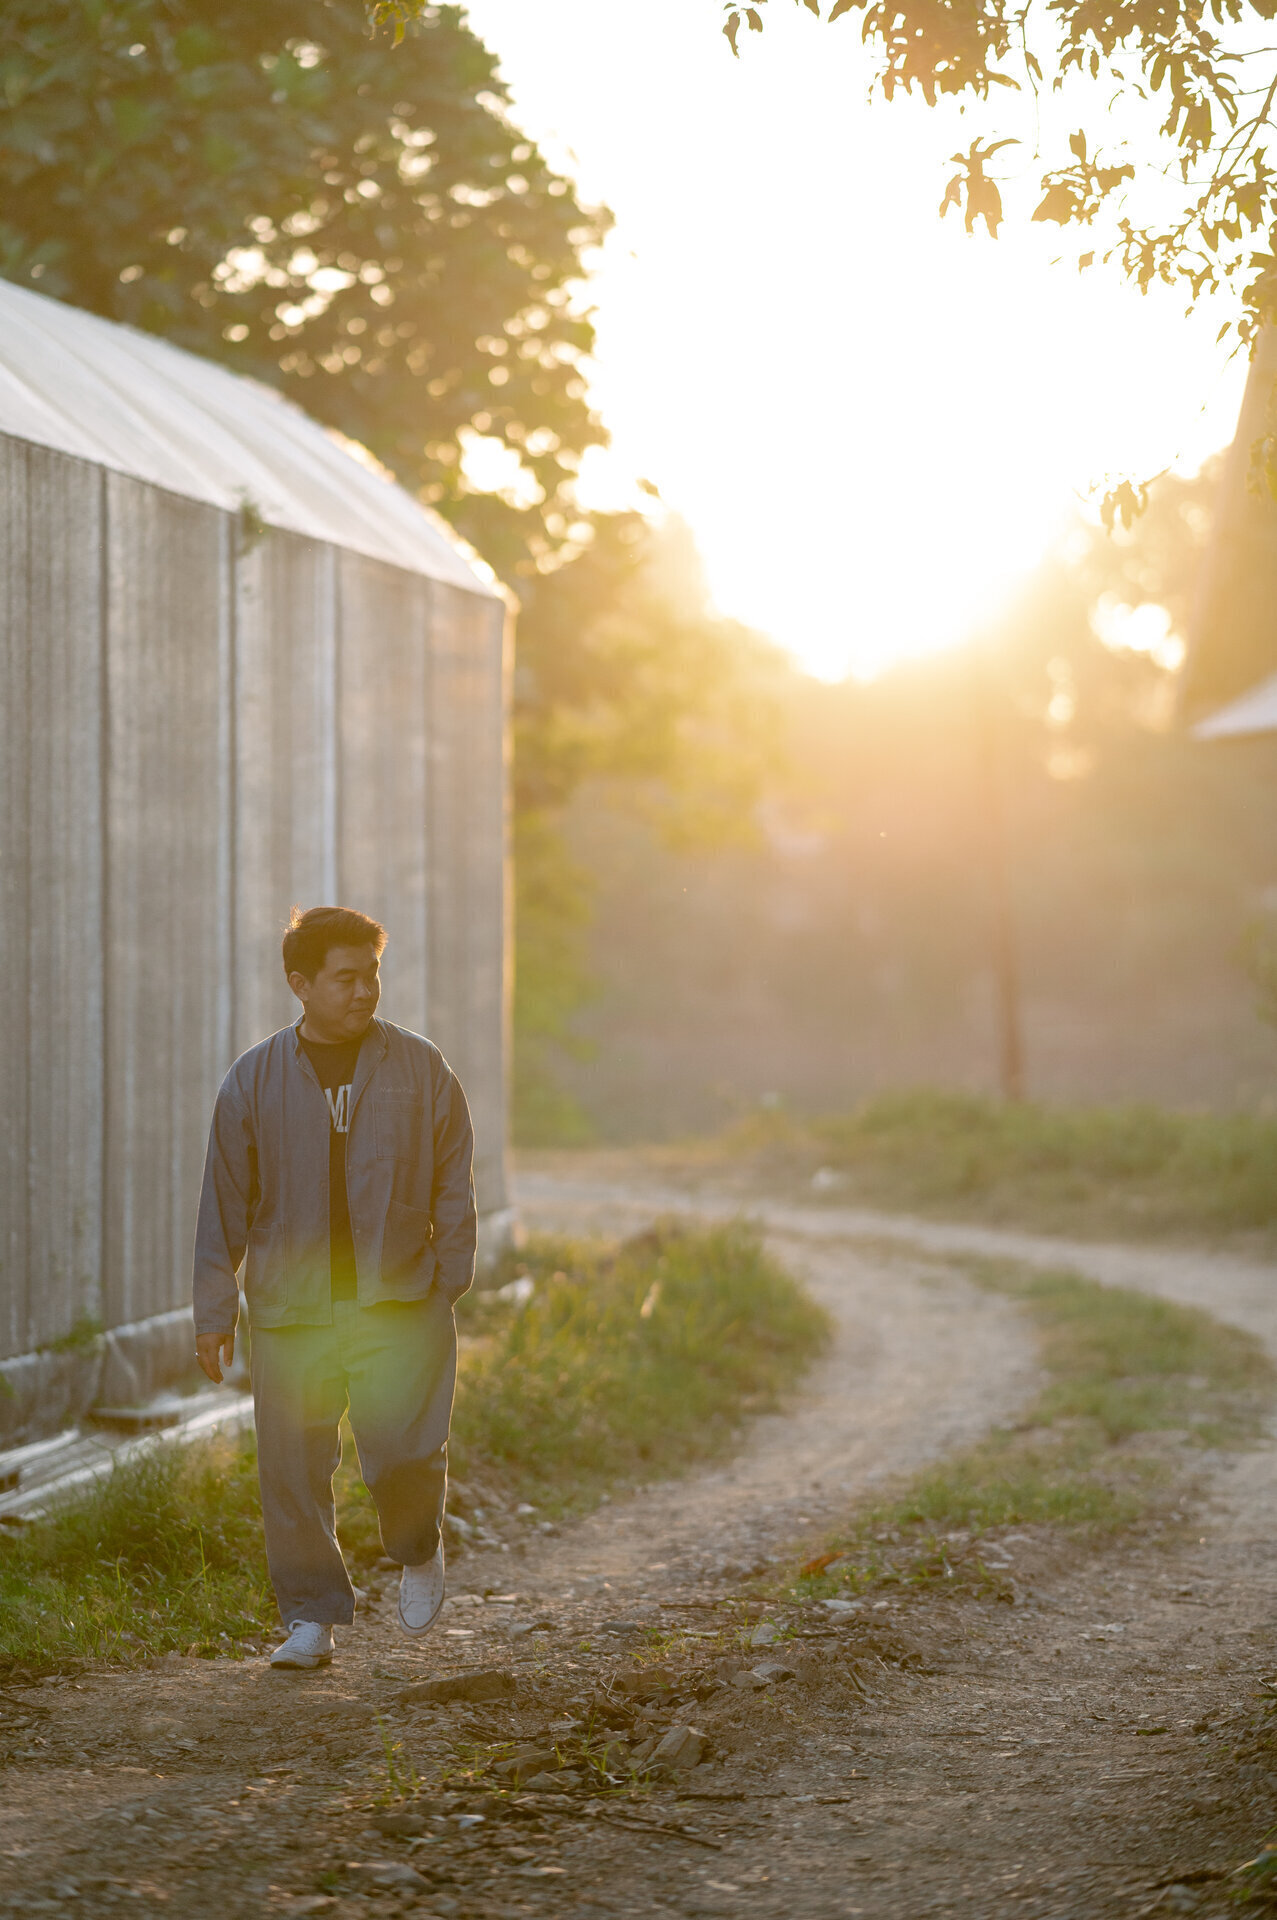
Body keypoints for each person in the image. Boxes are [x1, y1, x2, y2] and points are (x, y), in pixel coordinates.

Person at [192, 904, 477, 1670]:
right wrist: (214, 1311)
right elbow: (224, 1199)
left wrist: (450, 1275)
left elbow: (454, 1172)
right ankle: (310, 1619)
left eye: (372, 975)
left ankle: (418, 1549)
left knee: (404, 1453)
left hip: (400, 1299)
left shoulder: (419, 1068)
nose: (364, 991)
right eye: (345, 978)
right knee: (292, 1466)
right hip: (293, 1309)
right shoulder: (253, 1080)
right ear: (301, 984)